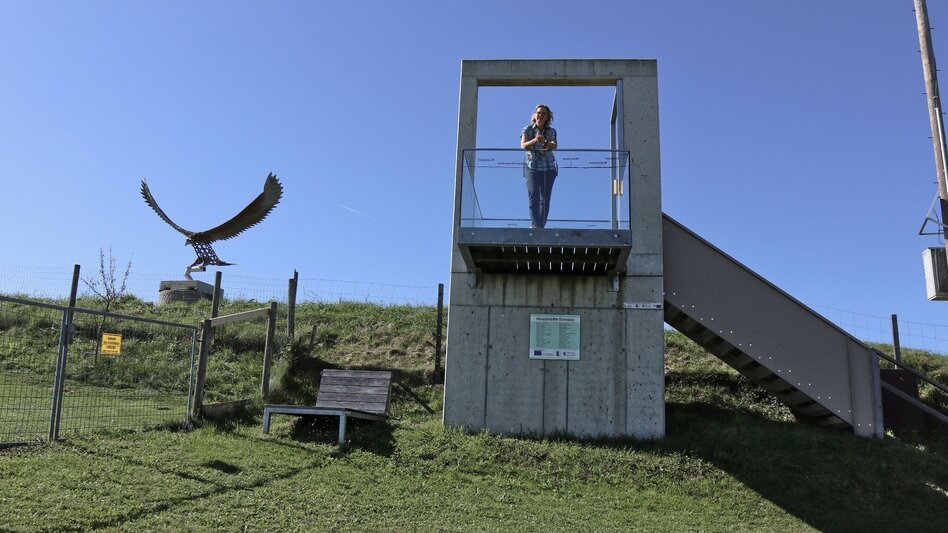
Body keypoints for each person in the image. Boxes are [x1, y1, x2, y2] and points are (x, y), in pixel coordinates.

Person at [521, 104, 558, 228]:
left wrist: (545, 142)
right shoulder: (528, 129)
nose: (540, 115)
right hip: (532, 166)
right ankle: (535, 225)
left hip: (548, 168)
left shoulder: (551, 131)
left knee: (545, 199)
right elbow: (524, 145)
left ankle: (540, 227)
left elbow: (553, 145)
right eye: (538, 112)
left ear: (547, 117)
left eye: (543, 113)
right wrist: (535, 141)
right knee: (533, 194)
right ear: (534, 115)